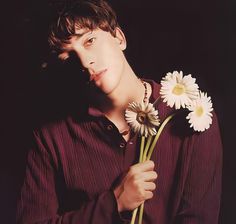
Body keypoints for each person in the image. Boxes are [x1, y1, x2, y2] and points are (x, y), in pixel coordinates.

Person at [16, 0, 223, 223]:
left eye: (90, 41)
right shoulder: (52, 137)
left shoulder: (192, 116)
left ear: (119, 38)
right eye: (68, 55)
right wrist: (113, 203)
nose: (86, 62)